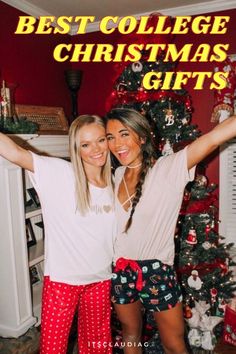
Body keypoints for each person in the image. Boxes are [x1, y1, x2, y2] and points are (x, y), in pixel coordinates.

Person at [105, 107, 236, 354]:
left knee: (174, 344)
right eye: (110, 137)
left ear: (142, 137)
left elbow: (214, 137)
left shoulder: (169, 168)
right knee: (131, 335)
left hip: (156, 272)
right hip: (121, 269)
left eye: (124, 134)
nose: (116, 144)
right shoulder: (117, 174)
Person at [0, 115, 115, 354]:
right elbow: (13, 152)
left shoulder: (115, 181)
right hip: (63, 282)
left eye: (100, 140)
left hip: (100, 281)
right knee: (53, 349)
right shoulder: (60, 173)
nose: (95, 149)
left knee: (97, 348)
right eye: (86, 144)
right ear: (76, 148)